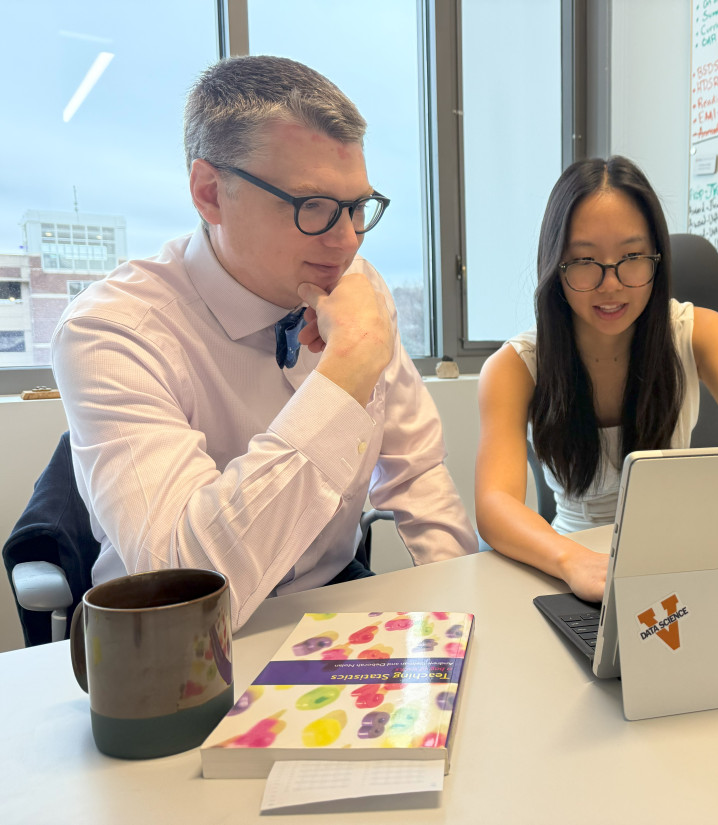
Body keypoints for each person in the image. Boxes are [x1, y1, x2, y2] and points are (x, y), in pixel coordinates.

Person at [52, 56, 478, 631]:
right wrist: (346, 372)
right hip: (170, 645)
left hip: (331, 598)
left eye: (357, 208)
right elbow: (188, 590)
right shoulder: (115, 331)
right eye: (314, 207)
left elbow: (416, 471)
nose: (347, 240)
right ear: (210, 193)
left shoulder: (359, 289)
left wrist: (467, 609)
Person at [475, 156, 718, 603]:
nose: (611, 285)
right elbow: (496, 505)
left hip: (677, 561)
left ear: (657, 257)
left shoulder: (700, 332)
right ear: (555, 265)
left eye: (631, 258)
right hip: (566, 563)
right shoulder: (514, 367)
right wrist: (574, 562)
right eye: (585, 260)